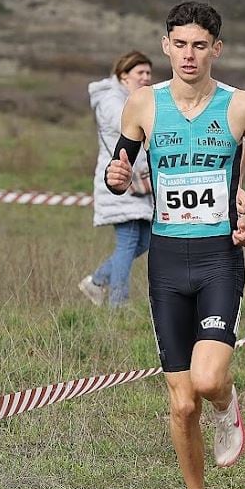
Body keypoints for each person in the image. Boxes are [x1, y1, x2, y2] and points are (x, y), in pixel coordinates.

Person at [104, 1, 245, 489]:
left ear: (216, 50)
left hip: (217, 260)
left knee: (207, 381)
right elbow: (120, 167)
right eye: (179, 44)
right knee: (180, 404)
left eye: (199, 45)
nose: (188, 54)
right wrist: (115, 177)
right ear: (165, 47)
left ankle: (226, 409)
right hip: (165, 263)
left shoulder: (242, 107)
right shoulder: (142, 105)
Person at [80, 51, 154, 308]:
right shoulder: (112, 100)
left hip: (138, 184)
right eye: (139, 73)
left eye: (148, 73)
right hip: (119, 181)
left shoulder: (132, 99)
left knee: (145, 240)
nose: (145, 78)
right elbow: (128, 124)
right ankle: (118, 303)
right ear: (123, 76)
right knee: (130, 240)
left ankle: (97, 281)